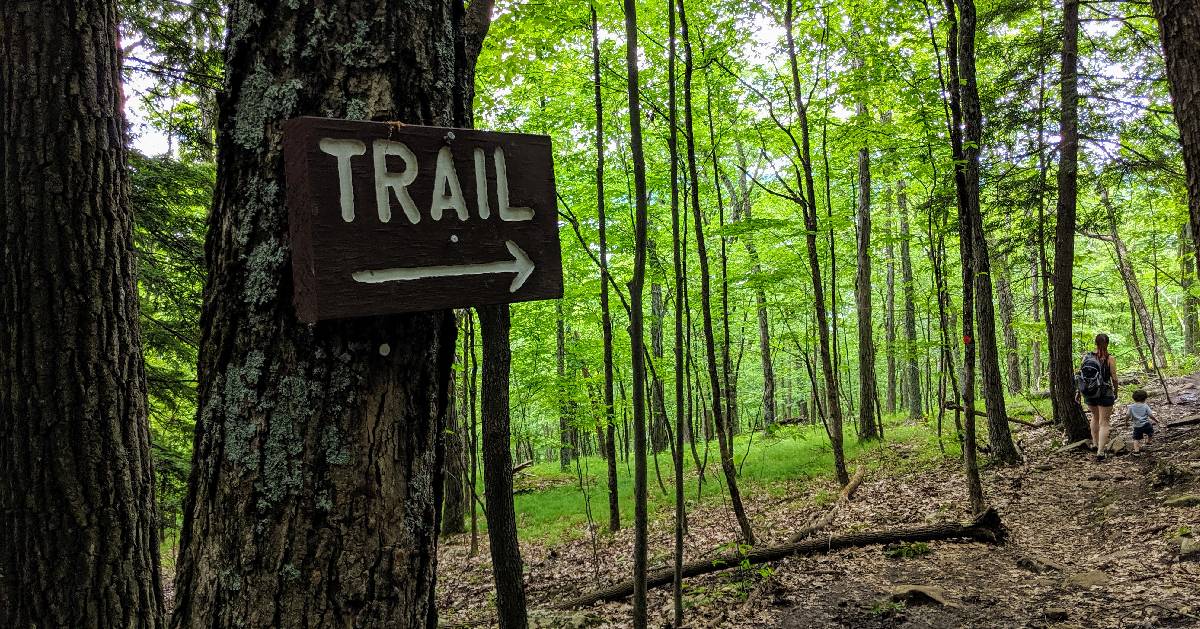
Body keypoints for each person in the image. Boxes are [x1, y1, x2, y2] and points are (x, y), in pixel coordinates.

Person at [1076, 333, 1118, 460]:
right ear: (1108, 343)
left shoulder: (1086, 357)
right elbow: (1114, 378)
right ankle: (1100, 451)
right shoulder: (1110, 359)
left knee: (1094, 417)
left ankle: (1094, 443)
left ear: (1095, 343)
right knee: (1104, 422)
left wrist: (1079, 392)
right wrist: (1116, 391)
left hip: (1089, 392)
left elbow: (1081, 377)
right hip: (1105, 392)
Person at [1128, 389, 1165, 455]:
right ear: (1145, 398)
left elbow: (1127, 415)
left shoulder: (1131, 407)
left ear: (1134, 398)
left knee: (1136, 439)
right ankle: (1149, 441)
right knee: (1150, 432)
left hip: (1137, 426)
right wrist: (1156, 420)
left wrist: (1126, 421)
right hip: (1146, 424)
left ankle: (1136, 451)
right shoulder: (1145, 406)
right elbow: (1150, 415)